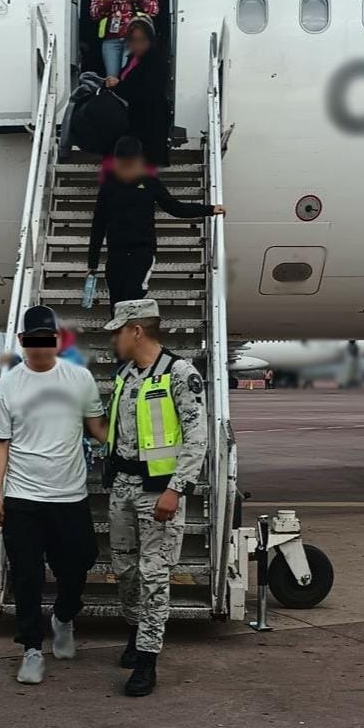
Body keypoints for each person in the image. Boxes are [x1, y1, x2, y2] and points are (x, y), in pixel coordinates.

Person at [0, 305, 108, 685]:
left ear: (56, 340)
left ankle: (64, 617)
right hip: (23, 497)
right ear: (22, 342)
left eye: (46, 340)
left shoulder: (79, 378)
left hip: (69, 495)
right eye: (32, 341)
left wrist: (133, 449)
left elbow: (96, 427)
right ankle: (32, 648)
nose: (40, 348)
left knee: (80, 563)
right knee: (27, 576)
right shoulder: (8, 385)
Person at [103, 299, 208, 697]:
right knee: (125, 569)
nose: (113, 338)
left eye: (118, 331)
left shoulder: (179, 373)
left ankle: (148, 657)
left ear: (136, 331)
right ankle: (134, 631)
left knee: (154, 574)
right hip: (124, 488)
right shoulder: (126, 375)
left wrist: (176, 489)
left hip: (158, 492)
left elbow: (197, 437)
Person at [88, 135, 225, 313]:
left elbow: (174, 207)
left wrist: (209, 209)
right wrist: (92, 263)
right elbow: (98, 225)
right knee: (116, 301)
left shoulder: (149, 182)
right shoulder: (109, 187)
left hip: (142, 251)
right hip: (116, 252)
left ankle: (134, 336)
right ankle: (120, 338)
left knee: (133, 297)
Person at [103, 17, 171, 167]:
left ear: (150, 40)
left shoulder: (156, 61)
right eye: (133, 40)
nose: (137, 45)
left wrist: (119, 86)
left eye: (141, 40)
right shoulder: (133, 59)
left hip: (150, 123)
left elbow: (148, 92)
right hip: (135, 121)